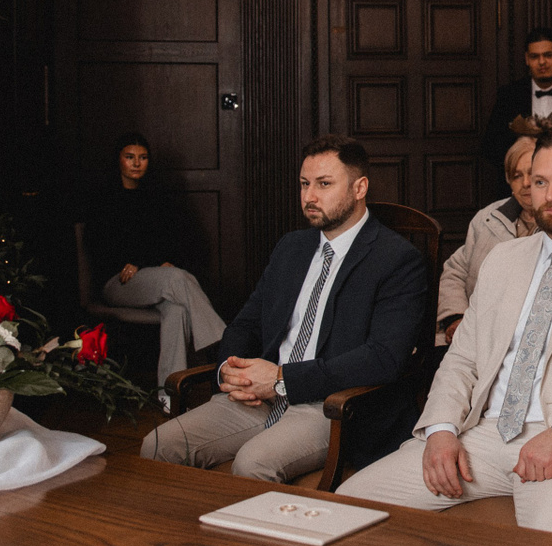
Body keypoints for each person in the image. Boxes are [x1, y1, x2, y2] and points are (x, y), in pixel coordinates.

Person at [339, 124, 552, 535]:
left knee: (550, 545)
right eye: (540, 182)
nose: (550, 195)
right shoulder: (503, 258)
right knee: (348, 507)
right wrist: (442, 429)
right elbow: (462, 358)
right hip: (483, 435)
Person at [141, 136, 428, 482]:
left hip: (329, 406)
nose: (309, 197)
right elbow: (245, 325)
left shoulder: (397, 259)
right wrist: (231, 372)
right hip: (258, 397)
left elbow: (383, 358)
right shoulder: (291, 247)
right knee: (158, 444)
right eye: (305, 184)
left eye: (324, 184)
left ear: (359, 188)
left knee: (251, 464)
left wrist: (281, 380)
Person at [84, 132, 226, 386]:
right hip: (118, 283)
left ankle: (169, 392)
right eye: (130, 157)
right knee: (176, 278)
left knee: (176, 310)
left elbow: (170, 242)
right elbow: (101, 247)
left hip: (153, 281)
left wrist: (154, 261)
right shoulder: (103, 199)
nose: (137, 163)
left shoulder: (155, 199)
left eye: (143, 157)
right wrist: (137, 261)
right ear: (119, 160)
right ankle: (225, 345)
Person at [436, 128, 540, 342]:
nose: (526, 183)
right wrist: (457, 317)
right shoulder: (488, 218)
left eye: (533, 174)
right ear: (509, 182)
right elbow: (455, 271)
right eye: (517, 176)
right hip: (473, 331)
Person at [481, 28, 552, 183]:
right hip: (522, 183)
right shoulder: (509, 95)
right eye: (535, 56)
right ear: (527, 59)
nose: (542, 62)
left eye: (548, 55)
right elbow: (491, 146)